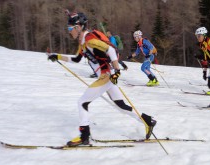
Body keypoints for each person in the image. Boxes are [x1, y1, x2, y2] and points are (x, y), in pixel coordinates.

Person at [47, 12, 156, 146]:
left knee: (82, 102)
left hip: (106, 76)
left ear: (79, 27)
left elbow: (110, 49)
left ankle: (84, 136)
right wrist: (57, 56)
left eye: (70, 28)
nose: (69, 31)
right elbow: (76, 59)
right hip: (107, 76)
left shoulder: (89, 40)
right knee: (121, 107)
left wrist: (116, 71)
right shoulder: (83, 43)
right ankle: (147, 121)